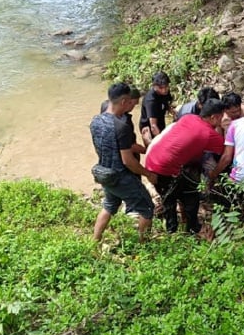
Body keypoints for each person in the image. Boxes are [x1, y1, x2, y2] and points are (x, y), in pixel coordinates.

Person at [145, 99, 227, 234]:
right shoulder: (209, 134)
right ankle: (184, 230)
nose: (223, 119)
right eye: (221, 116)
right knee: (187, 196)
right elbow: (223, 151)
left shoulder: (189, 117)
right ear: (214, 117)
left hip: (152, 160)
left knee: (170, 200)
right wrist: (221, 127)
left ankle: (176, 231)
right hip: (164, 168)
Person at [90, 83, 157, 242]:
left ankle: (94, 242)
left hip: (104, 173)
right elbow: (128, 161)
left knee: (108, 207)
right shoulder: (121, 127)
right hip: (120, 177)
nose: (131, 105)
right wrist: (148, 174)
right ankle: (144, 245)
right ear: (123, 101)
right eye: (129, 102)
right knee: (147, 209)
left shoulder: (95, 122)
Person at [139, 72, 173, 146]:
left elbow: (166, 103)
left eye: (166, 86)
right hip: (148, 128)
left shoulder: (166, 92)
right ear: (154, 86)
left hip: (160, 120)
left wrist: (172, 111)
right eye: (161, 88)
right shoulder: (151, 100)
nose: (164, 90)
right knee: (153, 148)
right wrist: (161, 141)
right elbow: (153, 126)